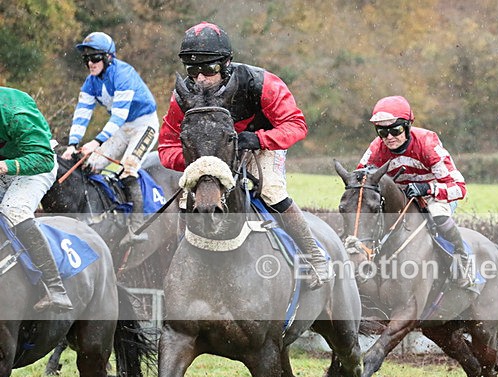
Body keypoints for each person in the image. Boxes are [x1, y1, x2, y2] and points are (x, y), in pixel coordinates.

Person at [159, 21, 331, 289]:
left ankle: (315, 256)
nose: (201, 78)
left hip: (258, 144)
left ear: (227, 63)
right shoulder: (182, 96)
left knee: (272, 189)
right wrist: (196, 160)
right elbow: (166, 147)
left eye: (209, 68)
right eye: (193, 70)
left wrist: (260, 139)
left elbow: (296, 125)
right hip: (211, 154)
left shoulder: (261, 83)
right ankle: (183, 267)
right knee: (186, 198)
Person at [357, 95, 473, 288]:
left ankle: (461, 259)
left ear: (408, 126)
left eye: (395, 130)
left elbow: (459, 188)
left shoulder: (427, 144)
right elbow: (360, 179)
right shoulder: (376, 148)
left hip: (436, 196)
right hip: (401, 198)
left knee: (437, 216)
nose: (389, 137)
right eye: (382, 132)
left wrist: (427, 188)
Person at [61, 31, 159, 244]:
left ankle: (136, 228)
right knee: (89, 165)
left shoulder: (124, 74)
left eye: (95, 58)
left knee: (128, 169)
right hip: (121, 128)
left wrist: (96, 141)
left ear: (108, 57)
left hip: (143, 125)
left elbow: (119, 114)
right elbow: (82, 113)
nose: (90, 63)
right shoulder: (90, 82)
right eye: (86, 59)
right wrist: (72, 144)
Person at [0, 87, 73, 311]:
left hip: (35, 165)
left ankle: (55, 288)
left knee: (13, 209)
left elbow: (43, 160)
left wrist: (5, 166)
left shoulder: (14, 112)